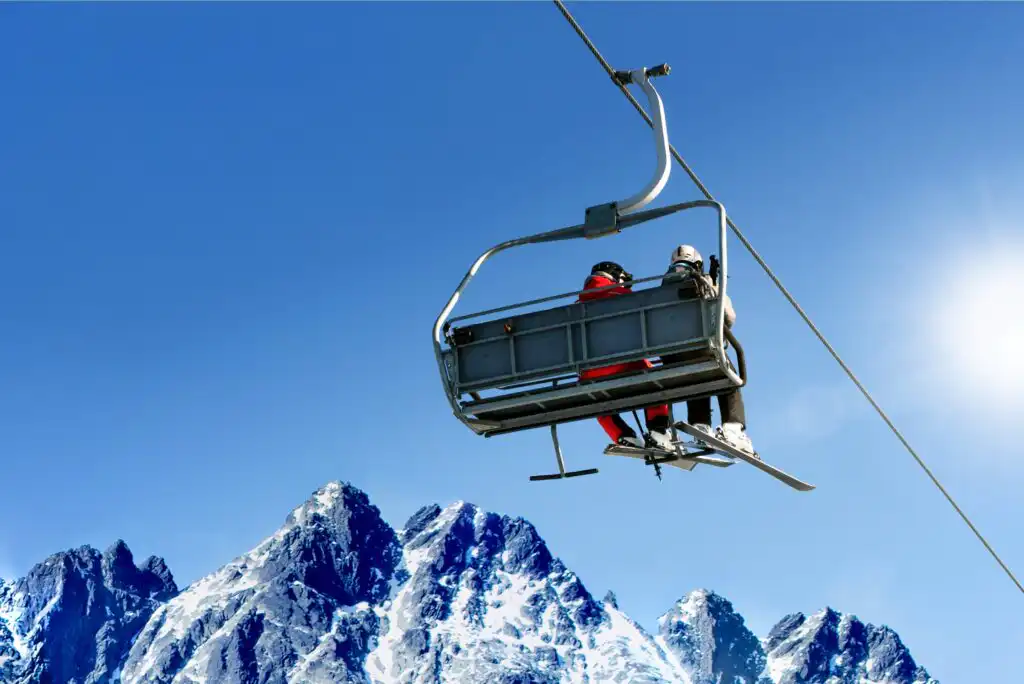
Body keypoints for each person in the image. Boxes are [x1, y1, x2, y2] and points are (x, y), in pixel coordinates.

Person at [662, 245, 756, 456]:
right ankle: (733, 428)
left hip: (671, 357)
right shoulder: (705, 283)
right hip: (702, 350)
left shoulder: (659, 290)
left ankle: (700, 425)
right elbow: (728, 317)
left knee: (697, 378)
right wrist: (714, 284)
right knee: (728, 376)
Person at [578, 261, 674, 451]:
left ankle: (623, 436)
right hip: (622, 364)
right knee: (652, 379)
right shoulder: (622, 296)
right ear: (614, 275)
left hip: (589, 374)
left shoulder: (577, 305)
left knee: (596, 400)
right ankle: (658, 431)